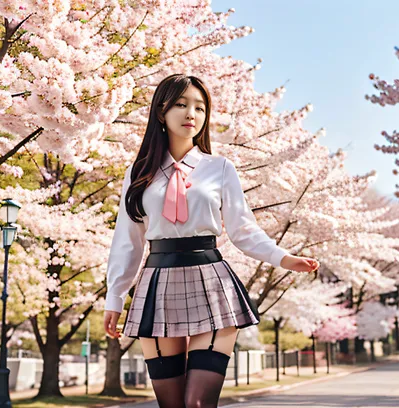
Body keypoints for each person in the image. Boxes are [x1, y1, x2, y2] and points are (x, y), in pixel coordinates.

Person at [103, 74, 319, 407]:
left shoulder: (219, 168)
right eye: (181, 104)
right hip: (158, 283)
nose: (192, 113)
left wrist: (283, 258)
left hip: (211, 281)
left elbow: (243, 229)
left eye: (200, 108)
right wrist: (115, 296)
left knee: (198, 404)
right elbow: (128, 240)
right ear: (161, 112)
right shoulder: (140, 172)